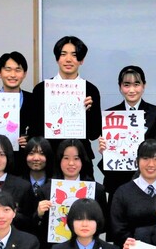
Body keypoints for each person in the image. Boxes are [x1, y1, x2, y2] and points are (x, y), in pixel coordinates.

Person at [31, 36, 103, 176]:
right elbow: (35, 129)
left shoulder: (90, 90)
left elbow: (94, 134)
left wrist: (89, 111)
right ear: (57, 58)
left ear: (81, 60)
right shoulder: (42, 89)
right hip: (49, 157)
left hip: (80, 157)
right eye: (63, 54)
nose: (68, 59)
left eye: (74, 55)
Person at [99, 65, 156, 195]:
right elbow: (110, 149)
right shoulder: (110, 114)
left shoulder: (155, 112)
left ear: (144, 86)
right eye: (127, 85)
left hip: (146, 177)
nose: (132, 90)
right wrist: (104, 151)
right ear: (120, 87)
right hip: (117, 180)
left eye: (136, 84)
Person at [109, 140, 156, 244]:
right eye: (145, 159)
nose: (151, 164)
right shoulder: (122, 192)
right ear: (137, 161)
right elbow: (118, 229)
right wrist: (137, 247)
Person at [0, 51, 42, 170]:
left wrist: (30, 141)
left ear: (24, 74)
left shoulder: (35, 101)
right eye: (8, 70)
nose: (13, 75)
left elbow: (42, 133)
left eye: (18, 70)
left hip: (27, 166)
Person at [52, 139, 110, 232]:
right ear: (59, 160)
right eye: (66, 158)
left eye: (76, 158)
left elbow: (105, 224)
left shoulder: (97, 189)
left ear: (83, 160)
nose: (71, 163)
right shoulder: (47, 189)